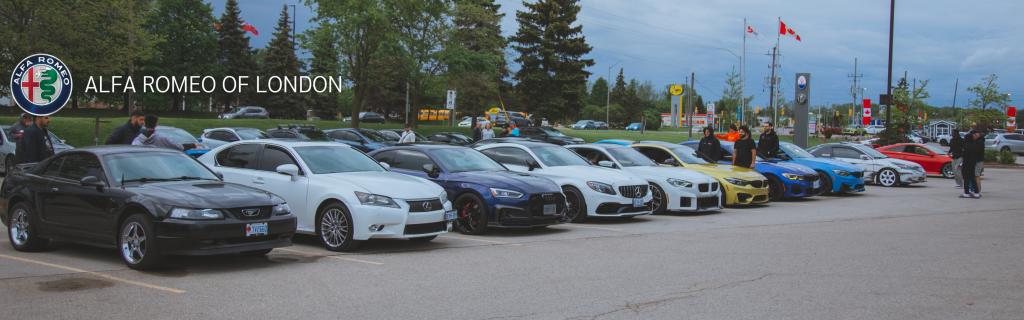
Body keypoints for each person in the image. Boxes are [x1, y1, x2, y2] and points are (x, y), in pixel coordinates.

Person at [132, 115, 197, 151]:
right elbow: (179, 147)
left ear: (145, 125)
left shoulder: (137, 140)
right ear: (155, 125)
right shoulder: (161, 139)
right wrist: (192, 145)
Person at [960, 133, 977, 198]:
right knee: (973, 178)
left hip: (967, 165)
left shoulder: (966, 147)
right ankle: (976, 192)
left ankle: (966, 192)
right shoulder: (974, 145)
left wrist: (963, 165)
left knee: (966, 179)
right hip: (972, 164)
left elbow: (966, 157)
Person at [971, 130, 984, 197]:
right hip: (977, 161)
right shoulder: (977, 142)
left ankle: (978, 191)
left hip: (978, 161)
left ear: (976, 135)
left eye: (972, 136)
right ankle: (975, 190)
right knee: (975, 176)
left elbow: (977, 152)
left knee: (976, 176)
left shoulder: (979, 142)